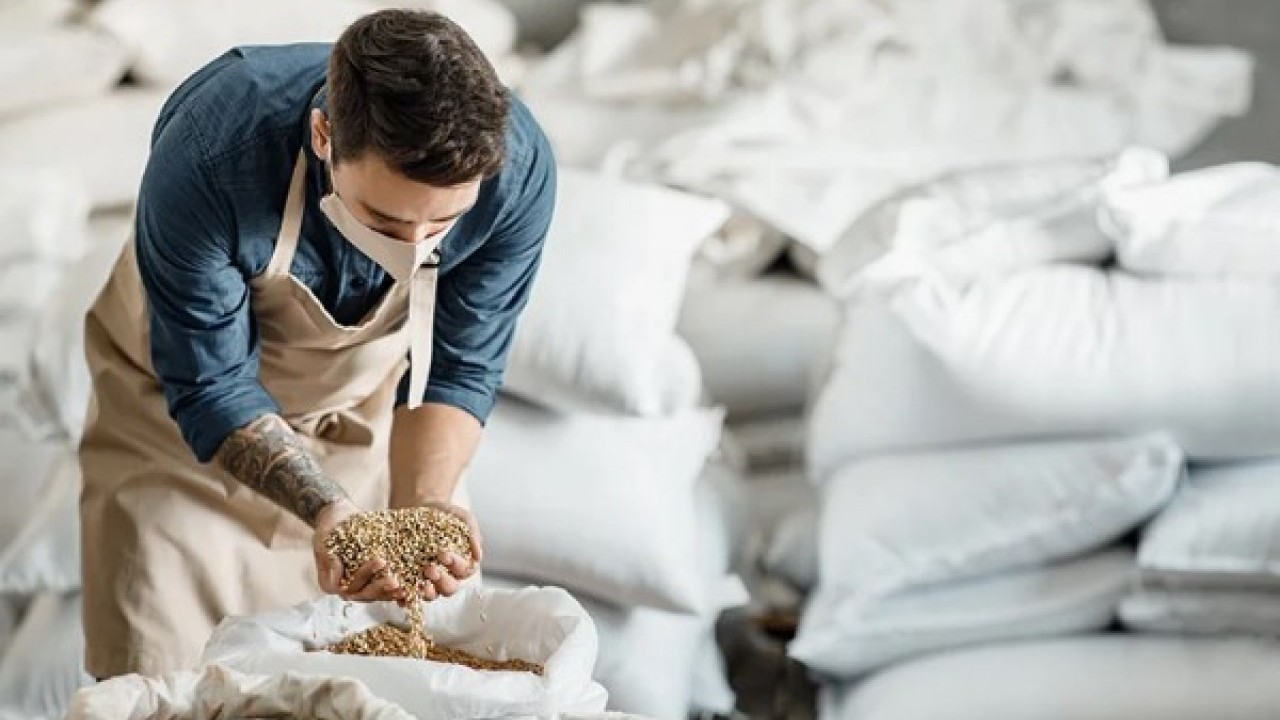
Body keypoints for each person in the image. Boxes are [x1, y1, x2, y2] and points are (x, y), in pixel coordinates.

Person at [78, 9, 556, 678]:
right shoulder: (213, 149)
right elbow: (211, 385)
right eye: (387, 220)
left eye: (443, 224)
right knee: (165, 681)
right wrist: (329, 510)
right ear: (324, 134)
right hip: (174, 440)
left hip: (361, 419)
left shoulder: (516, 170)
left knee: (365, 684)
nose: (415, 247)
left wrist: (427, 504)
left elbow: (458, 366)